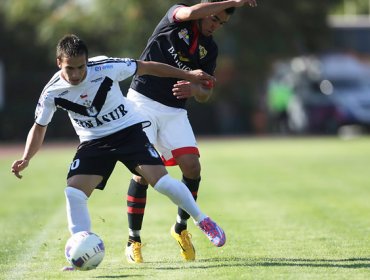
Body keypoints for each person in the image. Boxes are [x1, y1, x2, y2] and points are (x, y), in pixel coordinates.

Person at [10, 34, 225, 269]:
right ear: (58, 63)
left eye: (81, 67)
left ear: (87, 61)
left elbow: (146, 67)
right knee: (73, 193)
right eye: (70, 68)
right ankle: (79, 252)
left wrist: (187, 75)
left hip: (128, 132)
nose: (76, 74)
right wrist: (26, 158)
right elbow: (40, 127)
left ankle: (201, 220)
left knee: (161, 182)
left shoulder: (105, 66)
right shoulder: (52, 91)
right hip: (94, 142)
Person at [125, 0, 257, 263]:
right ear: (205, 9)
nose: (215, 25)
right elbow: (191, 12)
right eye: (213, 18)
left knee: (192, 168)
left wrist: (195, 89)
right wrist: (234, 1)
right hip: (143, 102)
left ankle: (180, 228)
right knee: (143, 173)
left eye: (221, 23)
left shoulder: (210, 49)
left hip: (174, 111)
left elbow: (206, 92)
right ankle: (133, 240)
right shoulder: (177, 16)